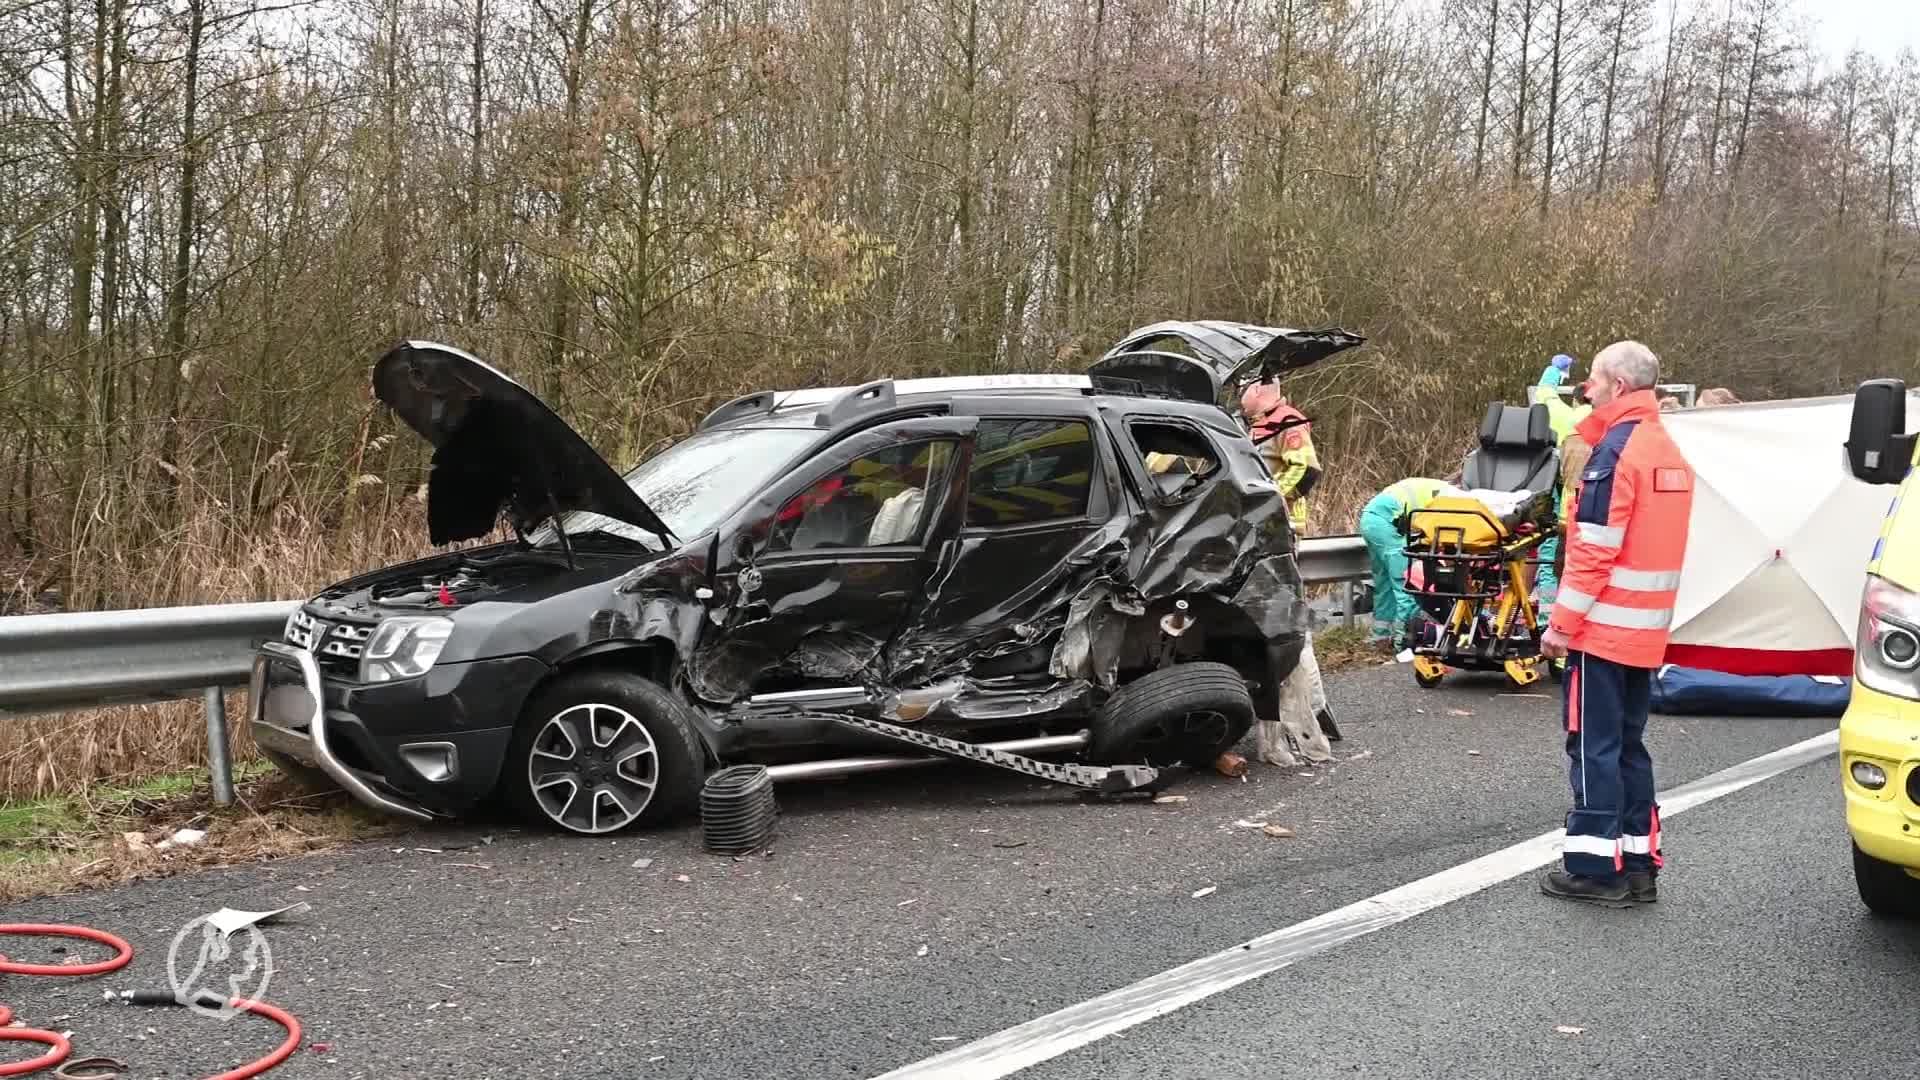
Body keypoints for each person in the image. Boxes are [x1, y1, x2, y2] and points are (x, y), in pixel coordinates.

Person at [1538, 340, 1694, 907]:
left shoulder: (1616, 453)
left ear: (1619, 387)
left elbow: (1594, 549)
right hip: (1645, 632)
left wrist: (1561, 624)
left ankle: (1595, 870)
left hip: (1601, 630)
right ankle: (1638, 865)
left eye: (1596, 381)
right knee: (1629, 746)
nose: (1587, 390)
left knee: (1591, 747)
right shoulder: (1666, 449)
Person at [1358, 476, 1459, 652]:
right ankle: (1404, 642)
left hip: (1370, 519)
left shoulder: (1433, 487)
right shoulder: (1454, 498)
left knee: (1385, 585)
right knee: (1406, 584)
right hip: (1388, 522)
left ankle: (1380, 637)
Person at [1240, 382, 1321, 534]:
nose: (1240, 398)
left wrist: (1268, 500)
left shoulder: (1287, 422)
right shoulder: (1259, 424)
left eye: (1242, 391)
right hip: (1261, 521)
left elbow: (1306, 470)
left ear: (1257, 390)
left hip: (1279, 524)